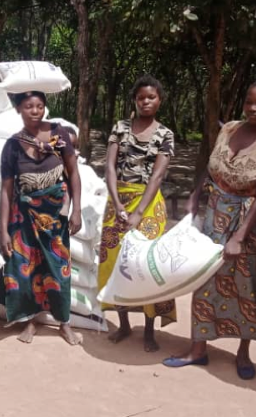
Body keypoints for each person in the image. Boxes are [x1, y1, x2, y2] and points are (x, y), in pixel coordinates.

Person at [163, 78, 256, 380]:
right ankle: (198, 349)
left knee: (248, 288)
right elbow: (210, 168)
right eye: (249, 101)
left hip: (251, 225)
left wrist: (239, 236)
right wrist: (196, 195)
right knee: (204, 280)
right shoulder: (229, 129)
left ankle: (244, 352)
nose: (253, 108)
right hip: (215, 216)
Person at [97, 75, 177, 352]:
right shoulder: (120, 128)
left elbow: (157, 176)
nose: (146, 101)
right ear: (135, 100)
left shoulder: (165, 135)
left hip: (148, 204)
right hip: (117, 201)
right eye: (141, 97)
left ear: (160, 101)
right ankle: (124, 324)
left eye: (151, 97)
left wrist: (138, 213)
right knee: (115, 262)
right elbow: (109, 166)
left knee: (146, 265)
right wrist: (117, 205)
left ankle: (149, 330)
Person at [0, 91, 84, 346]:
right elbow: (6, 190)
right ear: (18, 110)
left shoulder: (60, 135)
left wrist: (77, 209)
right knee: (25, 269)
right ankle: (31, 322)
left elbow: (74, 173)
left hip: (55, 215)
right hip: (23, 216)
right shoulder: (12, 145)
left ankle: (64, 323)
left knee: (59, 269)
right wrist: (3, 230)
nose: (35, 110)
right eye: (28, 106)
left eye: (39, 106)